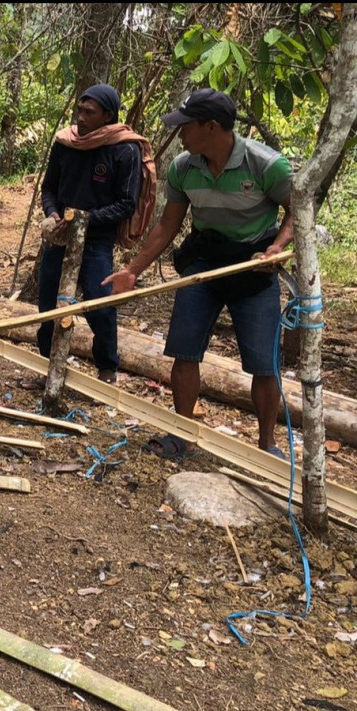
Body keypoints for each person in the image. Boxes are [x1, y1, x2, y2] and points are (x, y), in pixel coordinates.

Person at [102, 88, 294, 460]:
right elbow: (167, 226)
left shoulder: (266, 165)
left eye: (186, 127)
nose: (180, 134)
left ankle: (267, 444)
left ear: (212, 127)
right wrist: (132, 271)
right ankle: (182, 435)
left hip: (253, 267)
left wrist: (278, 248)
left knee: (263, 362)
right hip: (204, 262)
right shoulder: (183, 167)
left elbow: (297, 210)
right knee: (184, 351)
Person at [34, 83, 155, 386]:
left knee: (99, 302)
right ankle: (45, 367)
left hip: (97, 240)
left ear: (107, 116)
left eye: (89, 112)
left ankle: (107, 367)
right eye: (80, 110)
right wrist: (53, 213)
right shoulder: (65, 143)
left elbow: (127, 203)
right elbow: (49, 187)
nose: (81, 117)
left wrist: (86, 220)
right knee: (48, 304)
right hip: (61, 236)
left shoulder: (124, 149)